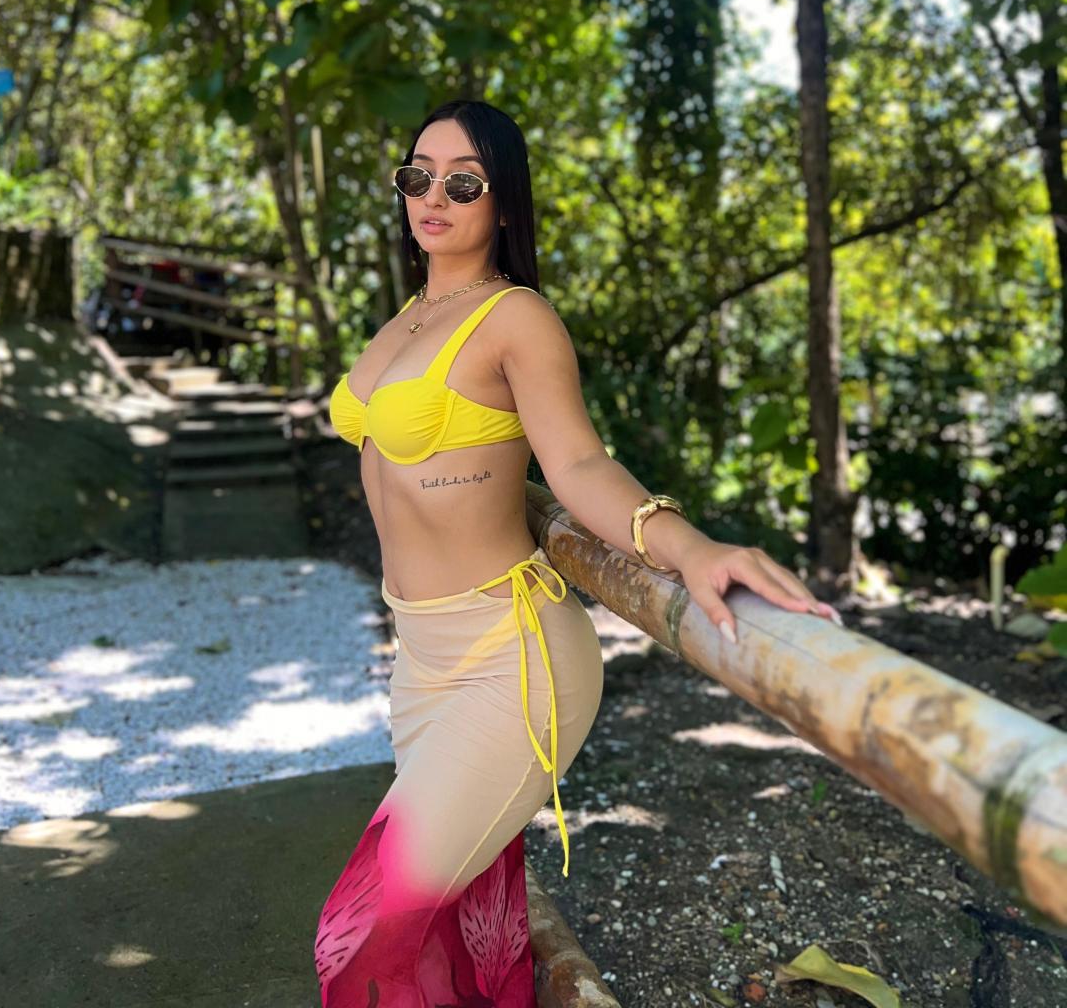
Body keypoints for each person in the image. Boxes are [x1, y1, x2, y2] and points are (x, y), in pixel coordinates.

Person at [314, 98, 842, 1007]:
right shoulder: (408, 315)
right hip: (421, 660)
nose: (433, 195)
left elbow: (579, 464)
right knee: (455, 930)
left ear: (504, 204)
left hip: (509, 660)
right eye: (418, 176)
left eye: (464, 182)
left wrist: (687, 545)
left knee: (355, 934)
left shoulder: (515, 317)